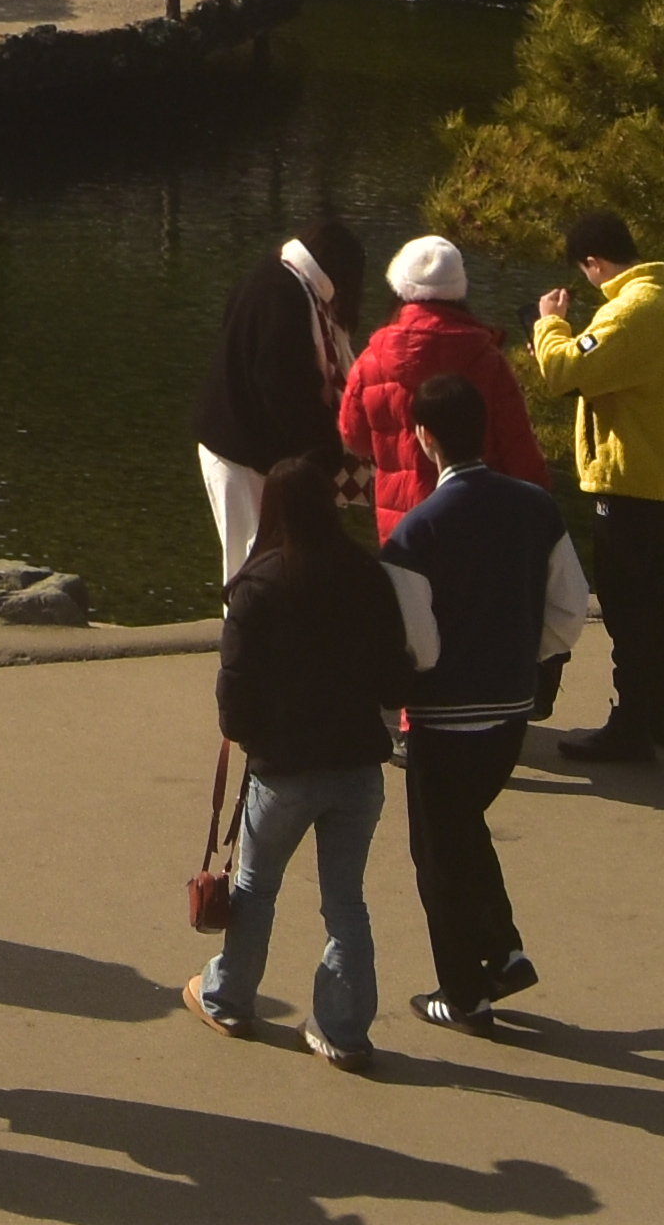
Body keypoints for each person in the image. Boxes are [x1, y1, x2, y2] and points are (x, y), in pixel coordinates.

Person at [191, 447, 412, 1069]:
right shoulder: (369, 576)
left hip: (283, 769)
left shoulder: (256, 586)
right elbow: (397, 683)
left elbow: (233, 692)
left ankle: (229, 997)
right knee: (346, 901)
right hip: (357, 770)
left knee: (256, 889)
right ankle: (342, 1030)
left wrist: (248, 734)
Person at [387, 372, 580, 1037]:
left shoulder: (415, 534)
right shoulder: (537, 508)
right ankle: (501, 949)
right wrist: (526, 657)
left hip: (444, 719)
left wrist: (406, 700)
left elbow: (417, 642)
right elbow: (569, 608)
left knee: (436, 852)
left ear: (423, 438)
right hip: (511, 712)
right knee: (464, 829)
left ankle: (463, 992)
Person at [519, 211, 664, 762]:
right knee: (656, 595)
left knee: (627, 604)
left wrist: (548, 322)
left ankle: (630, 725)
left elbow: (560, 372)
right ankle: (661, 711)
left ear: (594, 263)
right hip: (661, 465)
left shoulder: (631, 311)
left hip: (626, 474)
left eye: (586, 271)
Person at [336, 237, 544, 532]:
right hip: (475, 521)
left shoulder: (372, 360)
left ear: (401, 289)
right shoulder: (486, 359)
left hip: (401, 525)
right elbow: (518, 449)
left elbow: (353, 438)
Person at [200, 236, 348, 588]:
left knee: (252, 555)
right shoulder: (285, 296)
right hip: (240, 451)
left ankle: (248, 631)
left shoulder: (274, 275)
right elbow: (282, 386)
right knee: (252, 558)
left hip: (234, 440)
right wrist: (322, 454)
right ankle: (243, 633)